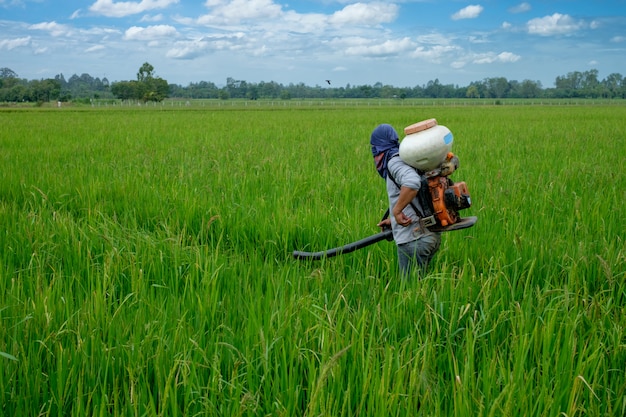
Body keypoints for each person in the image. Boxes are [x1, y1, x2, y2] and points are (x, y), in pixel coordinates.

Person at [370, 123, 441, 278]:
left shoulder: (394, 162)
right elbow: (418, 195)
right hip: (429, 236)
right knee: (421, 291)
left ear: (378, 149)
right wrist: (393, 221)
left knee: (410, 293)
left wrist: (396, 211)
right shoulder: (409, 160)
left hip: (413, 240)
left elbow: (412, 183)